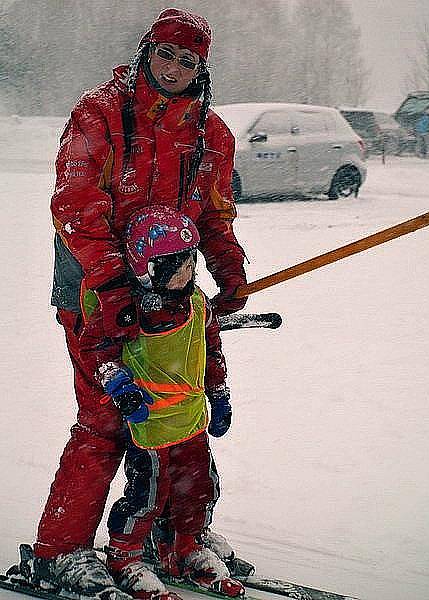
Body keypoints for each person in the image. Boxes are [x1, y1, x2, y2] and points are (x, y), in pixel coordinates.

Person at [33, 7, 247, 596]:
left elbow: (213, 215)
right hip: (92, 288)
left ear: (202, 69)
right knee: (107, 420)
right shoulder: (100, 111)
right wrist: (111, 282)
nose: (174, 68)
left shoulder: (212, 134)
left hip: (170, 292)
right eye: (165, 54)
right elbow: (76, 201)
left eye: (188, 61)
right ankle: (61, 550)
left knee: (181, 416)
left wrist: (229, 273)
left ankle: (175, 536)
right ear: (145, 50)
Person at [79, 206, 244, 600]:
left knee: (200, 487)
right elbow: (98, 352)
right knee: (148, 493)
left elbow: (211, 349)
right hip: (149, 425)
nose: (185, 275)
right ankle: (125, 556)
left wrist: (218, 393)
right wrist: (119, 385)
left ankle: (184, 549)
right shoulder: (128, 312)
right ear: (145, 269)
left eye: (190, 264)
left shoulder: (198, 305)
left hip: (190, 422)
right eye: (173, 268)